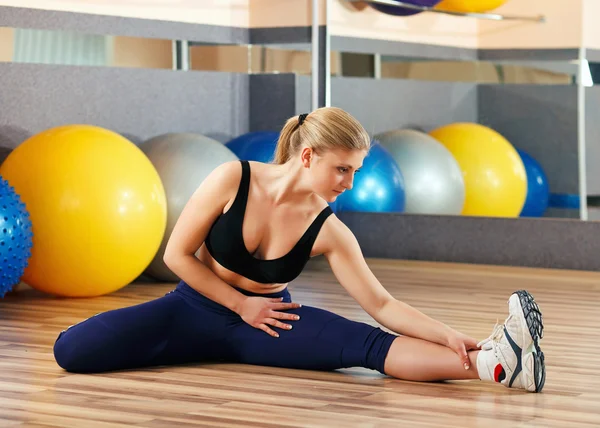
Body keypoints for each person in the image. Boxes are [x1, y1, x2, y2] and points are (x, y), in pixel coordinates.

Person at [53, 107, 545, 393]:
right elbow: (176, 256)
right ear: (307, 156)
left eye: (356, 172)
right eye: (342, 170)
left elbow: (382, 305)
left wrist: (451, 335)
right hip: (193, 309)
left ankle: (496, 363)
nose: (349, 184)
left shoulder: (330, 230)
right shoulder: (233, 178)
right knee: (71, 350)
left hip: (271, 322)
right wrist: (239, 304)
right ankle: (196, 347)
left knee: (369, 346)